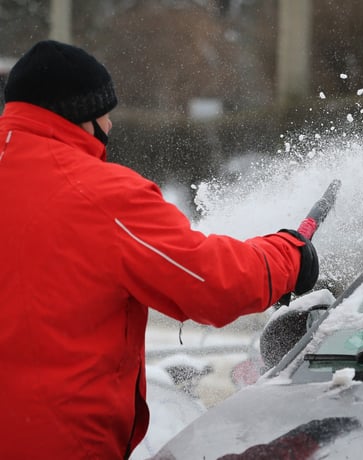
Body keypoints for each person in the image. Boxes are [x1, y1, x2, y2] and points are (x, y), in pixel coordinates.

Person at [0, 40, 319, 458]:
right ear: (83, 116)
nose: (111, 124)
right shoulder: (101, 197)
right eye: (106, 112)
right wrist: (290, 255)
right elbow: (212, 281)